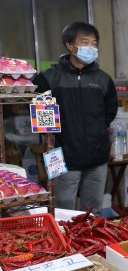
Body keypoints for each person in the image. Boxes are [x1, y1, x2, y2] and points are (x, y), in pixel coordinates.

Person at [34, 21, 118, 212]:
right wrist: (57, 140)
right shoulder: (49, 78)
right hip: (63, 156)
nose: (91, 47)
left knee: (93, 211)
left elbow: (110, 111)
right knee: (63, 209)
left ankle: (93, 242)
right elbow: (40, 115)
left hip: (97, 157)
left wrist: (95, 132)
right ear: (70, 46)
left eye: (94, 43)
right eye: (85, 42)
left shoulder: (103, 79)